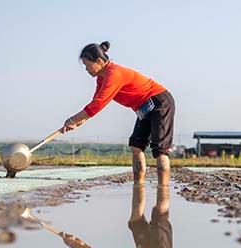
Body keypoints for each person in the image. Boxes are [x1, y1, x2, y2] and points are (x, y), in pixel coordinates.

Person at [61, 41, 175, 186]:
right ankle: (138, 185)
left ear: (99, 61)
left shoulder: (114, 74)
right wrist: (79, 121)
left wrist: (72, 119)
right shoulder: (101, 78)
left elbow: (98, 104)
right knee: (136, 146)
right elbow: (95, 101)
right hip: (143, 107)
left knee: (160, 149)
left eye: (87, 65)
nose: (86, 69)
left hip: (159, 102)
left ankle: (163, 190)